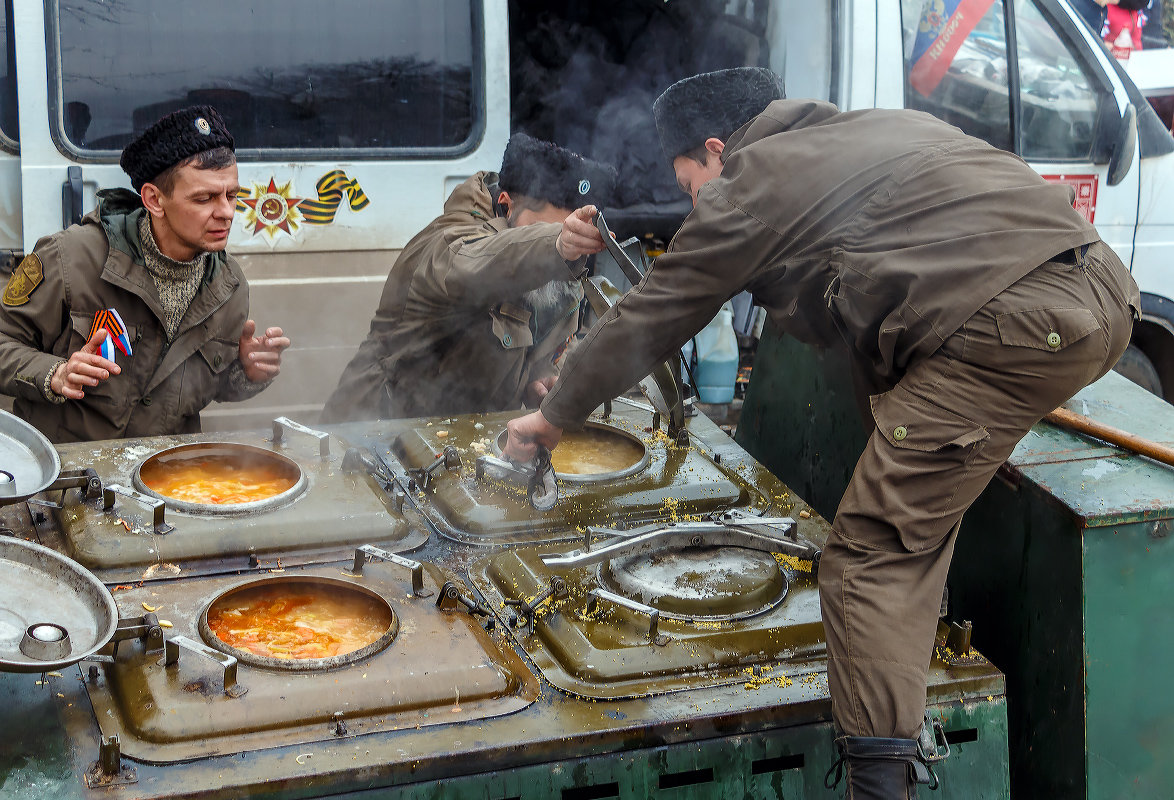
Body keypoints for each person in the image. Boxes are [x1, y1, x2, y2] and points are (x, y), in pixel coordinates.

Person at [505, 68, 1139, 797]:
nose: (694, 203)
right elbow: (880, 299)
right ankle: (907, 644)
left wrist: (555, 417)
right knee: (905, 509)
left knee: (866, 560)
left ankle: (879, 784)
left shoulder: (751, 182)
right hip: (1101, 296)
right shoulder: (873, 130)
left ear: (716, 149)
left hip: (1014, 327)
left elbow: (654, 313)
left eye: (689, 185)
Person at [0, 105, 288, 443]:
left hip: (165, 476)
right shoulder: (70, 259)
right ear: (154, 199)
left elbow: (200, 386)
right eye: (204, 198)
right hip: (71, 474)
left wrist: (246, 374)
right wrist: (55, 375)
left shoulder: (229, 286)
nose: (225, 212)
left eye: (231, 195)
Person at [319, 133, 616, 423]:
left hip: (469, 442)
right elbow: (470, 266)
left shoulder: (561, 264)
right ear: (506, 202)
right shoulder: (451, 241)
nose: (564, 251)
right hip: (374, 431)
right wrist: (554, 242)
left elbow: (550, 347)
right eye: (539, 230)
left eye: (570, 237)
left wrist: (538, 377)